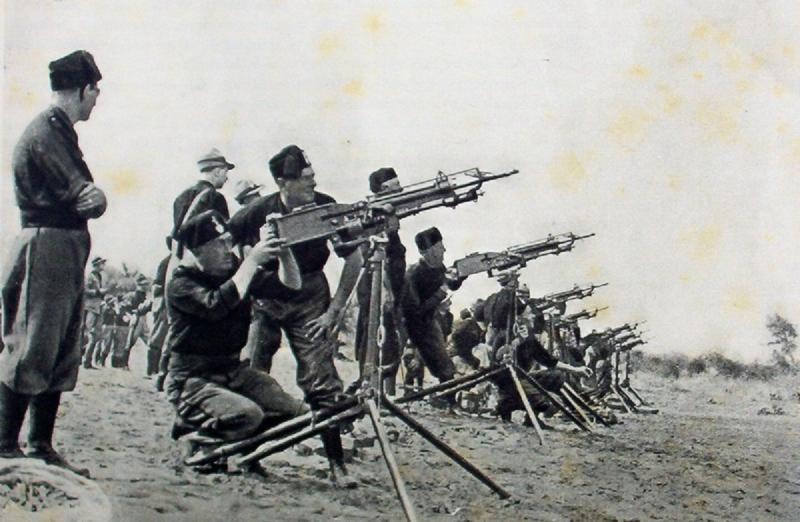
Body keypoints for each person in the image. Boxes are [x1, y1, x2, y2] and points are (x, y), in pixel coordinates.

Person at [228, 144, 363, 484]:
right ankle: (249, 456)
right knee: (253, 373)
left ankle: (336, 465)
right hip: (266, 299)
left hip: (310, 299)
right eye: (304, 179)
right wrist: (245, 274)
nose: (312, 183)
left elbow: (355, 258)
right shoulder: (256, 212)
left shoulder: (326, 208)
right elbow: (224, 245)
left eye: (312, 176)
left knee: (322, 379)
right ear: (282, 183)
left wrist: (334, 312)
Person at [0, 50, 105, 477]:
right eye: (95, 91)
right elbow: (86, 197)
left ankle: (40, 444)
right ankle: (5, 445)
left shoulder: (60, 130)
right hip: (48, 245)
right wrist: (97, 198)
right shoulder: (45, 132)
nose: (96, 99)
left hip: (62, 247)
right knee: (34, 345)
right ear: (83, 89)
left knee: (59, 347)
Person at [164, 210, 306, 459]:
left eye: (229, 241)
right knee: (248, 415)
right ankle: (196, 436)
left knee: (296, 414)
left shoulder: (234, 272)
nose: (227, 250)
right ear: (197, 251)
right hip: (192, 379)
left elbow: (290, 287)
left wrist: (284, 250)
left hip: (232, 371)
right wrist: (252, 261)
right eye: (219, 244)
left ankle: (244, 453)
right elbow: (215, 305)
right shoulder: (180, 284)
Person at [352, 168, 406, 394]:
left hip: (387, 284)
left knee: (388, 334)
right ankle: (370, 387)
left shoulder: (385, 215)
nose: (401, 190)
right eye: (396, 186)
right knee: (374, 333)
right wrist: (386, 289)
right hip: (377, 284)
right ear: (384, 189)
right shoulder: (373, 216)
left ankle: (385, 391)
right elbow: (374, 256)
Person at [492, 309, 592, 425]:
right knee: (549, 402)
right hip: (507, 383)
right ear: (519, 318)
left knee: (557, 376)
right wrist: (517, 342)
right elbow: (495, 360)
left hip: (523, 378)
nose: (532, 317)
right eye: (529, 314)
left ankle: (530, 420)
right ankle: (504, 405)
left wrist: (575, 370)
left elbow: (549, 361)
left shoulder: (530, 340)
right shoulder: (503, 335)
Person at [400, 227, 464, 387]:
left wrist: (461, 274)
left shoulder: (438, 268)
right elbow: (415, 312)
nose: (444, 250)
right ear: (427, 251)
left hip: (429, 322)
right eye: (439, 247)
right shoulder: (413, 274)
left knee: (445, 368)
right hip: (416, 326)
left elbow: (450, 283)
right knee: (444, 369)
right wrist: (442, 291)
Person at [147, 254, 171, 377]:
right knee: (158, 337)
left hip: (168, 302)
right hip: (164, 304)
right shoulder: (167, 262)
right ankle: (152, 370)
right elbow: (156, 287)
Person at [82, 256, 107, 369]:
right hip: (90, 307)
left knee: (96, 335)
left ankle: (87, 361)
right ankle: (81, 359)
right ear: (96, 264)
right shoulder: (90, 276)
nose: (103, 265)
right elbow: (85, 290)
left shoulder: (99, 276)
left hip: (98, 307)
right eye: (102, 263)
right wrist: (98, 292)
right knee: (86, 333)